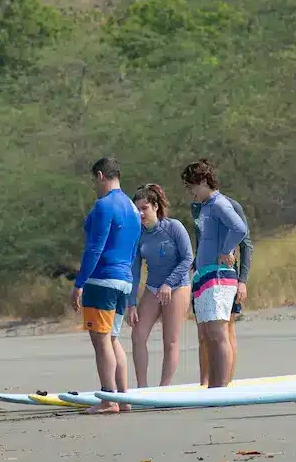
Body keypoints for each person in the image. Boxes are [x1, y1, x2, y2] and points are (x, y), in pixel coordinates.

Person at [70, 157, 142, 414]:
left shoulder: (104, 205)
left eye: (94, 180)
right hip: (123, 281)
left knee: (101, 342)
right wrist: (131, 288)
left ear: (101, 176)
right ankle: (123, 398)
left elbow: (94, 248)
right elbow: (134, 251)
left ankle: (108, 399)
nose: (93, 186)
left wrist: (79, 284)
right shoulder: (134, 209)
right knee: (113, 339)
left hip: (101, 280)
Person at [180, 159, 247, 388]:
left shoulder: (219, 203)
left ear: (203, 182)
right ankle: (213, 386)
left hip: (219, 276)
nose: (191, 193)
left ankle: (221, 387)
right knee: (209, 334)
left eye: (192, 187)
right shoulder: (206, 207)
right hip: (205, 276)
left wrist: (226, 249)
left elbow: (239, 228)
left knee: (219, 334)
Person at [125, 183, 194, 388]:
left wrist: (169, 283)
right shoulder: (138, 236)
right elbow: (134, 272)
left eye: (144, 208)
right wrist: (131, 304)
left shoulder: (173, 227)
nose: (140, 213)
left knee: (169, 340)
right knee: (138, 335)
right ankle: (143, 388)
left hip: (177, 286)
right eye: (137, 209)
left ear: (155, 206)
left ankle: (164, 388)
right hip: (153, 287)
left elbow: (188, 259)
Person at [191, 190, 253, 387]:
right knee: (204, 333)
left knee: (226, 329)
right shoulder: (197, 207)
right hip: (203, 275)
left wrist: (242, 280)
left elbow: (246, 243)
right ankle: (206, 382)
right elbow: (201, 241)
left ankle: (226, 382)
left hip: (224, 276)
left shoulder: (228, 205)